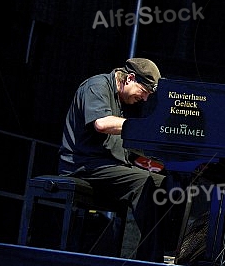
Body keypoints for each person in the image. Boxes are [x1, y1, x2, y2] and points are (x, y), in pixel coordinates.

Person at [58, 57, 168, 262]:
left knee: (165, 181)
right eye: (143, 92)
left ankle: (165, 252)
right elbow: (101, 124)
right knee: (146, 183)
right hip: (82, 164)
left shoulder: (121, 100)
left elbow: (120, 146)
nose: (144, 99)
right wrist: (146, 128)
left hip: (104, 164)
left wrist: (160, 162)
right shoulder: (96, 86)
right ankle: (150, 259)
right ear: (130, 78)